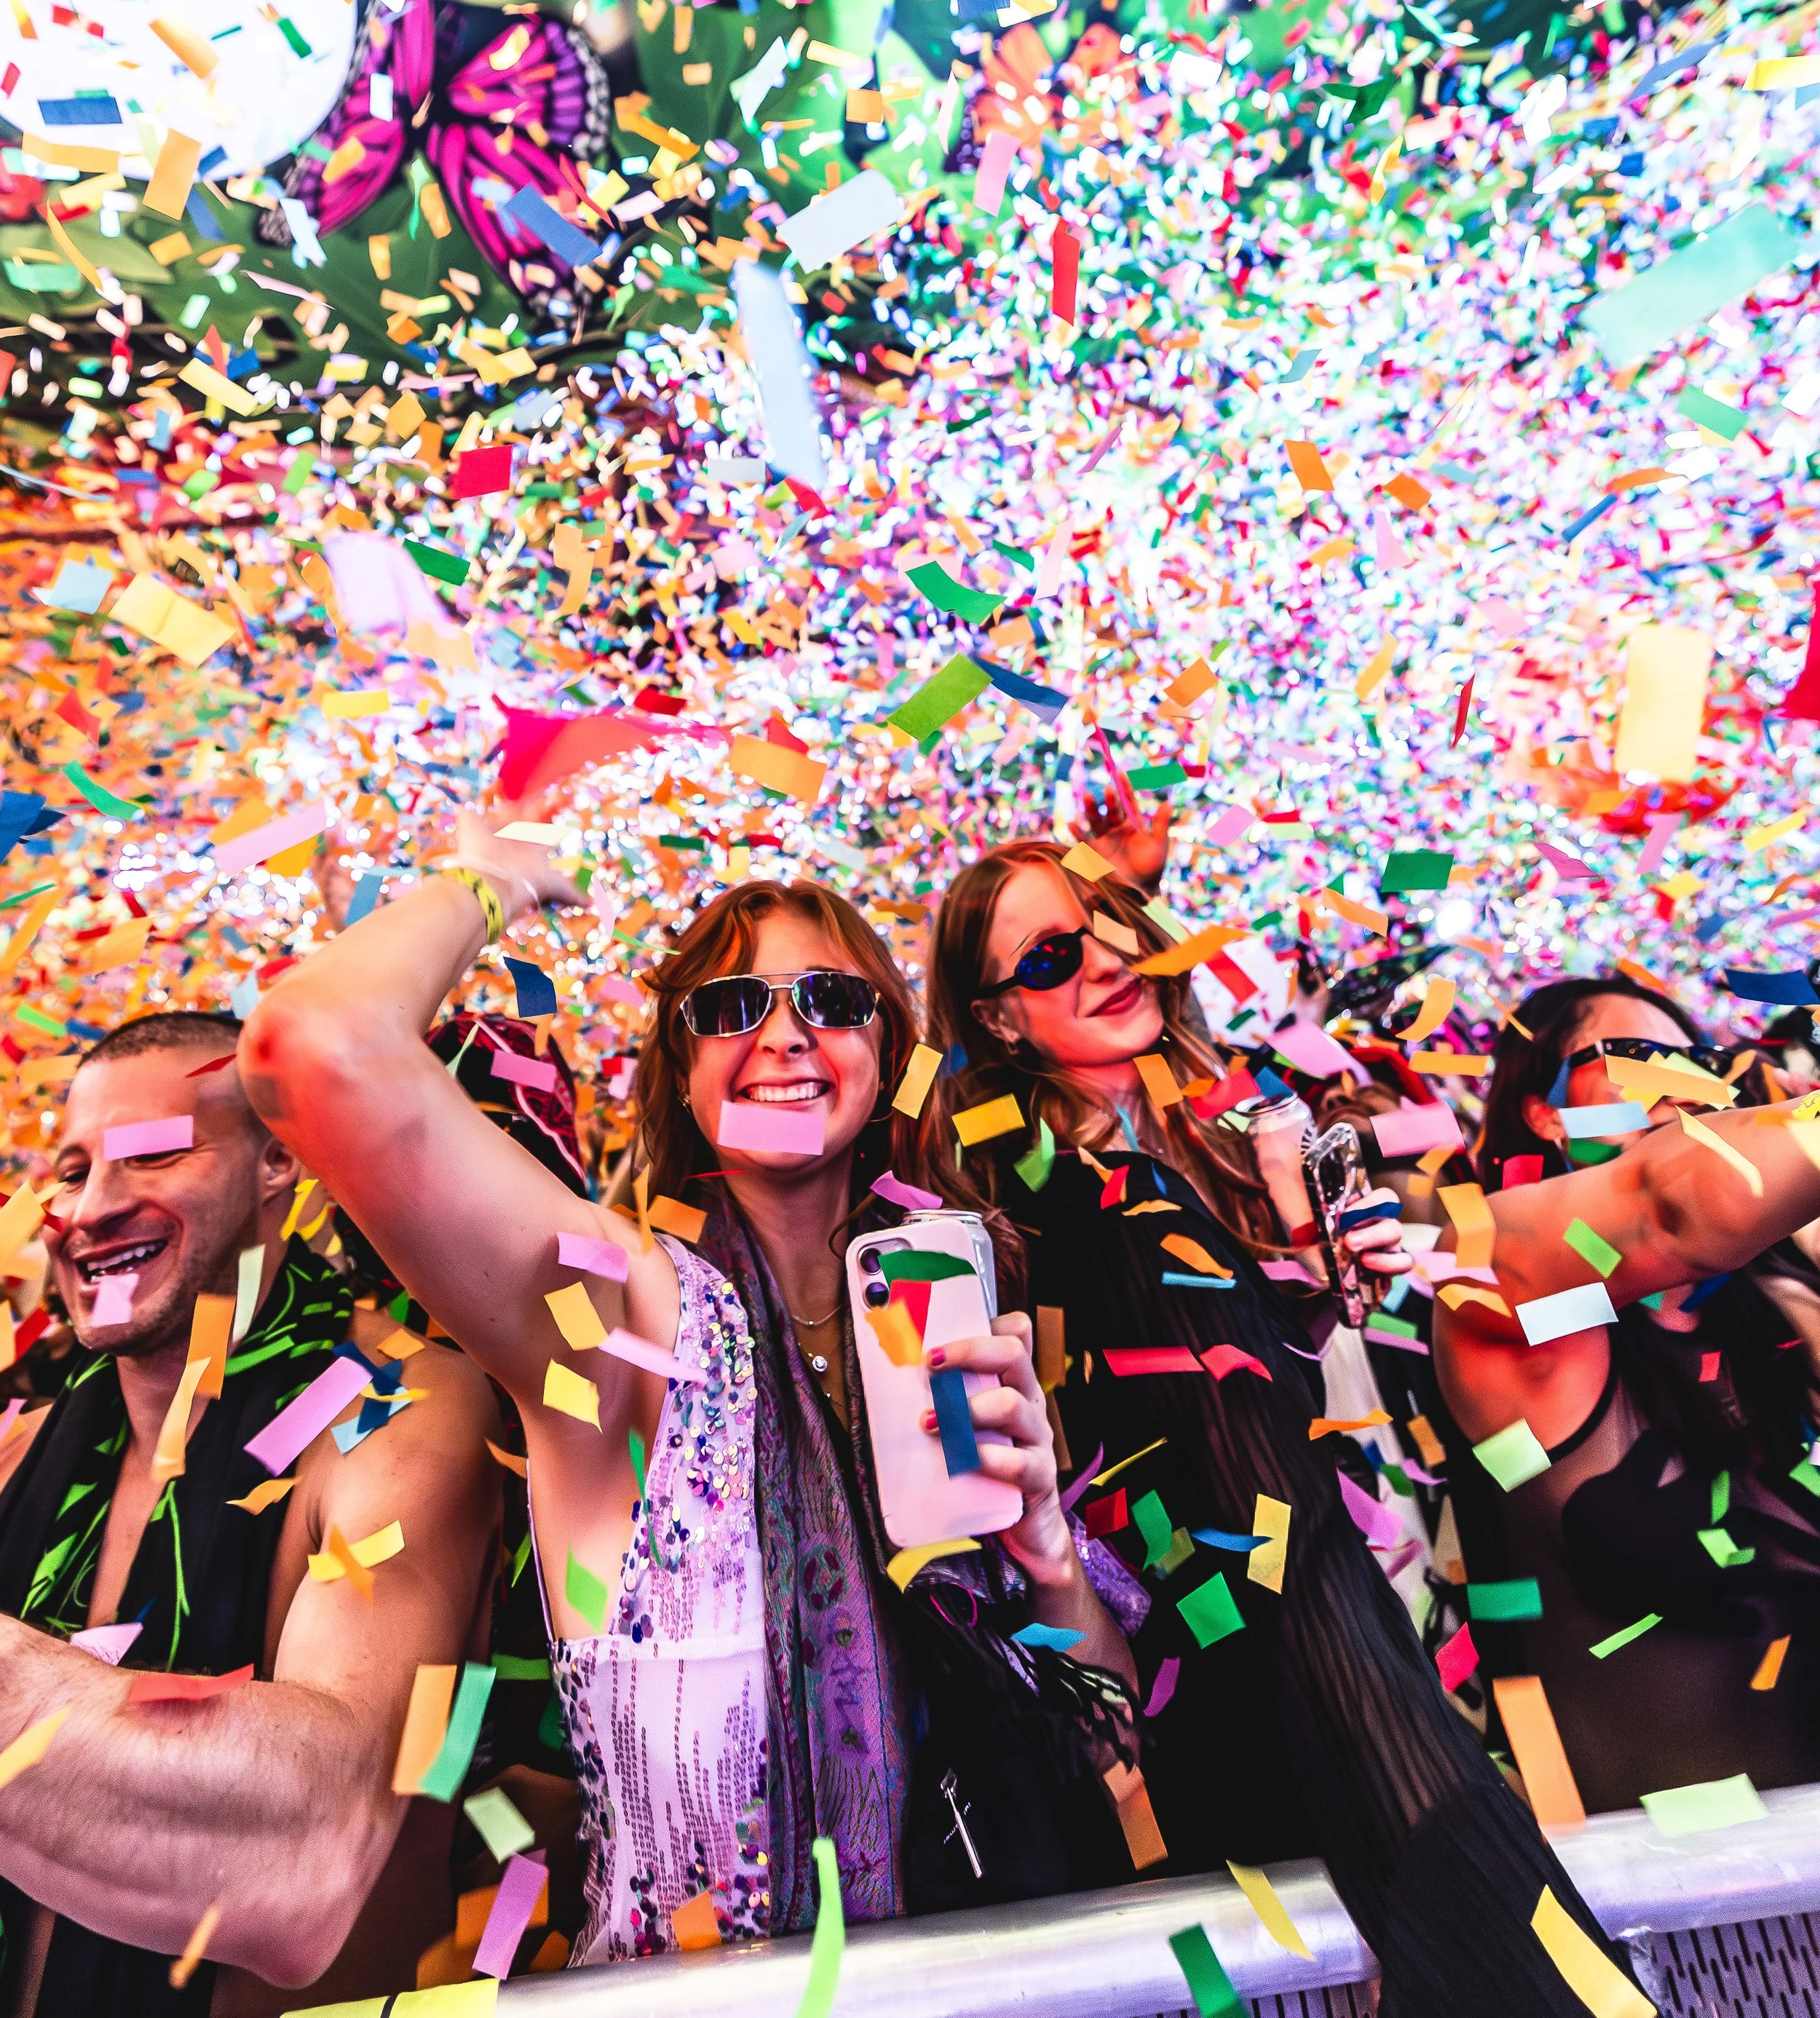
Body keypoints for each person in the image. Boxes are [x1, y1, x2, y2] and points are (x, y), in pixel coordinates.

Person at [240, 836, 1142, 1967]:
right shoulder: (621, 1314)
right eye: (730, 1006)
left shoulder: (948, 1314)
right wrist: (496, 874)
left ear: (887, 1051)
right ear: (677, 1067)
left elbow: (1111, 1740)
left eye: (830, 999)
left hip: (984, 1982)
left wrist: (1047, 1551)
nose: (786, 1034)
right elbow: (311, 1046)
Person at [924, 836, 1642, 2018]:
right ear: (996, 1018)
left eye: (1113, 923)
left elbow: (1355, 1434)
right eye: (1050, 955)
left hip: (1403, 1660)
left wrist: (1323, 1275)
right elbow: (1218, 1511)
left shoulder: (1252, 1146)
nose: (1102, 959)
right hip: (1254, 1703)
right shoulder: (1044, 1206)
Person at [0, 1011, 505, 2017]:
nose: (92, 1207)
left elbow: (304, 1850)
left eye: (153, 1155)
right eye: (72, 1171)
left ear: (279, 1161)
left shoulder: (398, 1411)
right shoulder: (20, 1448)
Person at [1435, 974, 1820, 1816]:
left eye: (1699, 1061)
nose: (1679, 1083)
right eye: (1639, 1058)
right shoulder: (1496, 1273)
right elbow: (1669, 1206)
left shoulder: (1788, 1308)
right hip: (1656, 1881)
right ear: (1544, 1113)